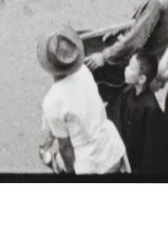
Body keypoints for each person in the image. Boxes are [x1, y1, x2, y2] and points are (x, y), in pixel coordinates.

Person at [37, 28, 129, 174]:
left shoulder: (52, 101)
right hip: (111, 151)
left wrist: (70, 171)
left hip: (88, 163)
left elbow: (65, 148)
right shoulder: (84, 72)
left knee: (55, 161)